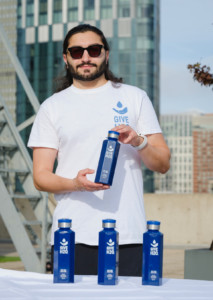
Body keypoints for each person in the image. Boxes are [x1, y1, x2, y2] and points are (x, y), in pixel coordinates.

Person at [28, 24, 170, 276]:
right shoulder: (52, 107)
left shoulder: (134, 97)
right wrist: (76, 183)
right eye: (76, 51)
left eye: (93, 50)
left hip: (127, 233)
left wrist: (139, 141)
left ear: (106, 54)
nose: (85, 57)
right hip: (71, 233)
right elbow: (40, 177)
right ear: (66, 57)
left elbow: (162, 164)